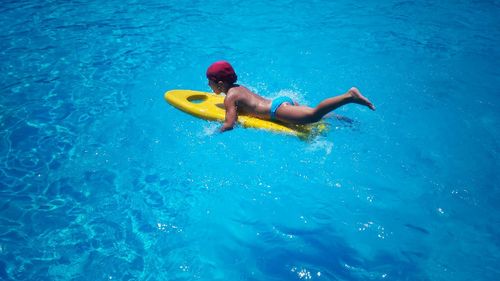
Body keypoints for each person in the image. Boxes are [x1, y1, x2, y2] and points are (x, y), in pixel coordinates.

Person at [206, 61, 375, 132]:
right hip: (281, 101)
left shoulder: (229, 97)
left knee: (313, 115)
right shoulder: (238, 88)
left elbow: (230, 123)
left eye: (210, 82)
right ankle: (340, 118)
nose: (208, 86)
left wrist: (214, 132)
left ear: (220, 84)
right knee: (316, 117)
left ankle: (349, 96)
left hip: (276, 111)